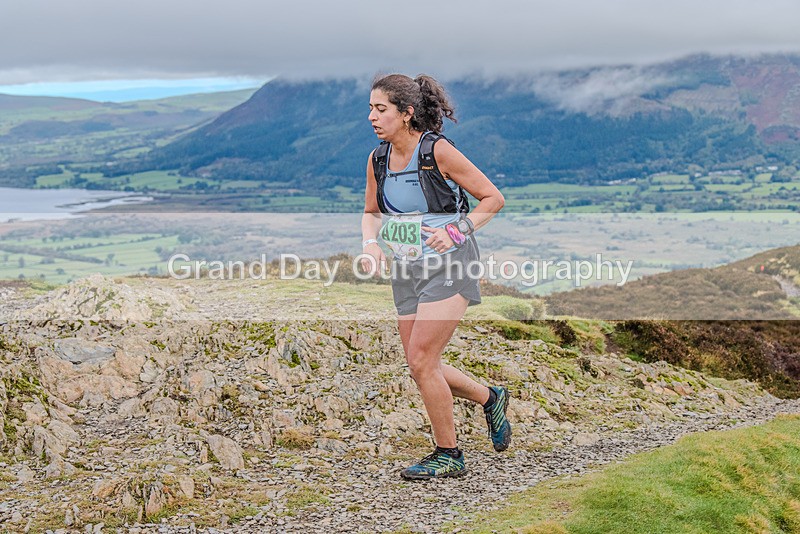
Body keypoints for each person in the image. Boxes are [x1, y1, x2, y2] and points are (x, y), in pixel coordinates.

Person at [361, 73, 510, 480]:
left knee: (424, 359)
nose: (372, 117)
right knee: (418, 363)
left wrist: (456, 229)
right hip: (407, 268)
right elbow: (372, 212)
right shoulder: (377, 159)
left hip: (452, 264)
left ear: (406, 113)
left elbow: (492, 198)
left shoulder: (437, 152)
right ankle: (489, 396)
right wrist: (370, 245)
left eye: (381, 109)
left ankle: (449, 454)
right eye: (371, 108)